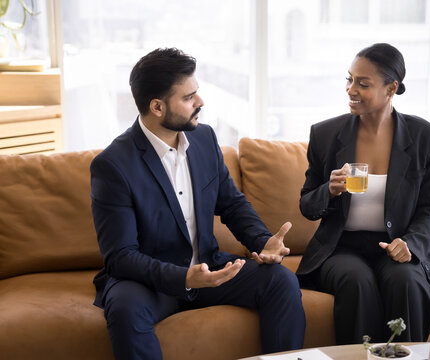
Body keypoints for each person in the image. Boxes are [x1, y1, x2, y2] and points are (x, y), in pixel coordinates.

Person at [90, 48, 305, 360]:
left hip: (209, 266)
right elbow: (120, 257)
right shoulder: (113, 165)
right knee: (124, 309)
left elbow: (231, 204)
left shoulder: (204, 139)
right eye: (189, 97)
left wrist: (262, 241)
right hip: (150, 281)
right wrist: (183, 278)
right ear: (157, 107)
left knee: (280, 280)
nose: (200, 103)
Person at [296, 43, 430, 344]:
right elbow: (307, 205)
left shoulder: (425, 137)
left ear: (391, 88)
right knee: (356, 280)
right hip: (341, 247)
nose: (351, 90)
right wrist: (328, 191)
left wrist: (410, 243)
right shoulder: (325, 135)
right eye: (349, 80)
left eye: (363, 83)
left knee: (407, 281)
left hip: (395, 245)